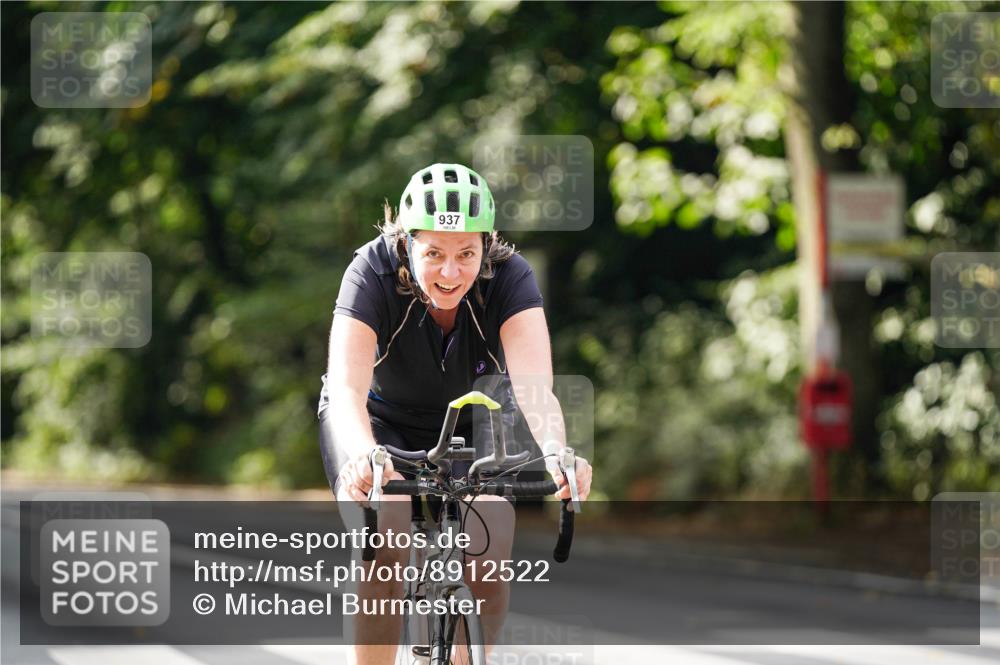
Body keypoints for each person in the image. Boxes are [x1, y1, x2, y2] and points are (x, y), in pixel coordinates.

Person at [317, 162, 593, 665]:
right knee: (387, 538)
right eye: (434, 254)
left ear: (486, 246)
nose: (451, 272)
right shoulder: (371, 272)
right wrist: (362, 454)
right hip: (376, 425)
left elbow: (535, 388)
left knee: (489, 546)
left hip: (473, 424)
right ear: (406, 245)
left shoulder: (510, 277)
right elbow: (347, 387)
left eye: (467, 253)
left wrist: (556, 450)